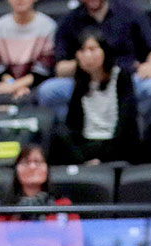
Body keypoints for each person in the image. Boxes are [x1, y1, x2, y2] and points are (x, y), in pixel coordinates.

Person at [37, 0, 151, 125]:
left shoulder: (130, 12)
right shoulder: (70, 21)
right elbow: (60, 68)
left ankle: (137, 131)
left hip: (126, 79)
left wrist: (150, 66)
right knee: (48, 91)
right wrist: (83, 62)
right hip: (84, 84)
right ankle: (72, 134)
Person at [48, 29, 141, 165]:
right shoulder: (80, 81)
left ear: (104, 50)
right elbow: (73, 123)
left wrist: (103, 157)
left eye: (92, 49)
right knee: (59, 135)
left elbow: (126, 122)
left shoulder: (121, 77)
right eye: (82, 51)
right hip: (88, 143)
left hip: (114, 142)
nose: (87, 55)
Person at [0, 0, 56, 105]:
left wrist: (15, 86)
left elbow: (45, 67)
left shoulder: (48, 26)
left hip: (37, 83)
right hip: (5, 82)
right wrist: (13, 85)